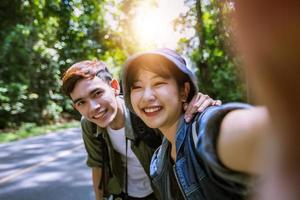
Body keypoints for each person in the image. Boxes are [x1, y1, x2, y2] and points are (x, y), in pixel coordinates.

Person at [122, 48, 270, 200]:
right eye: (137, 86)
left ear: (184, 91)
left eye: (158, 83)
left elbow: (268, 133)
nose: (146, 96)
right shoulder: (158, 162)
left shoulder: (204, 128)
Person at [61, 60, 220, 200]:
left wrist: (201, 103)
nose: (93, 108)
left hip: (162, 192)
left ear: (115, 87)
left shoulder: (146, 111)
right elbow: (97, 164)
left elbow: (183, 120)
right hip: (125, 193)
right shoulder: (89, 124)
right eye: (81, 102)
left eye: (97, 93)